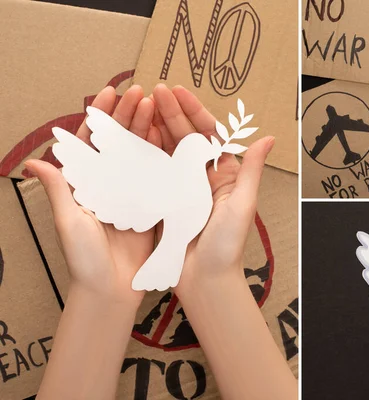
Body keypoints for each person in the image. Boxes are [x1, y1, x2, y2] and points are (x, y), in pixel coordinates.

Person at [26, 84, 298, 400]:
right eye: (202, 151)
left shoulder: (184, 177)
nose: (210, 155)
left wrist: (214, 280)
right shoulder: (171, 175)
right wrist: (100, 293)